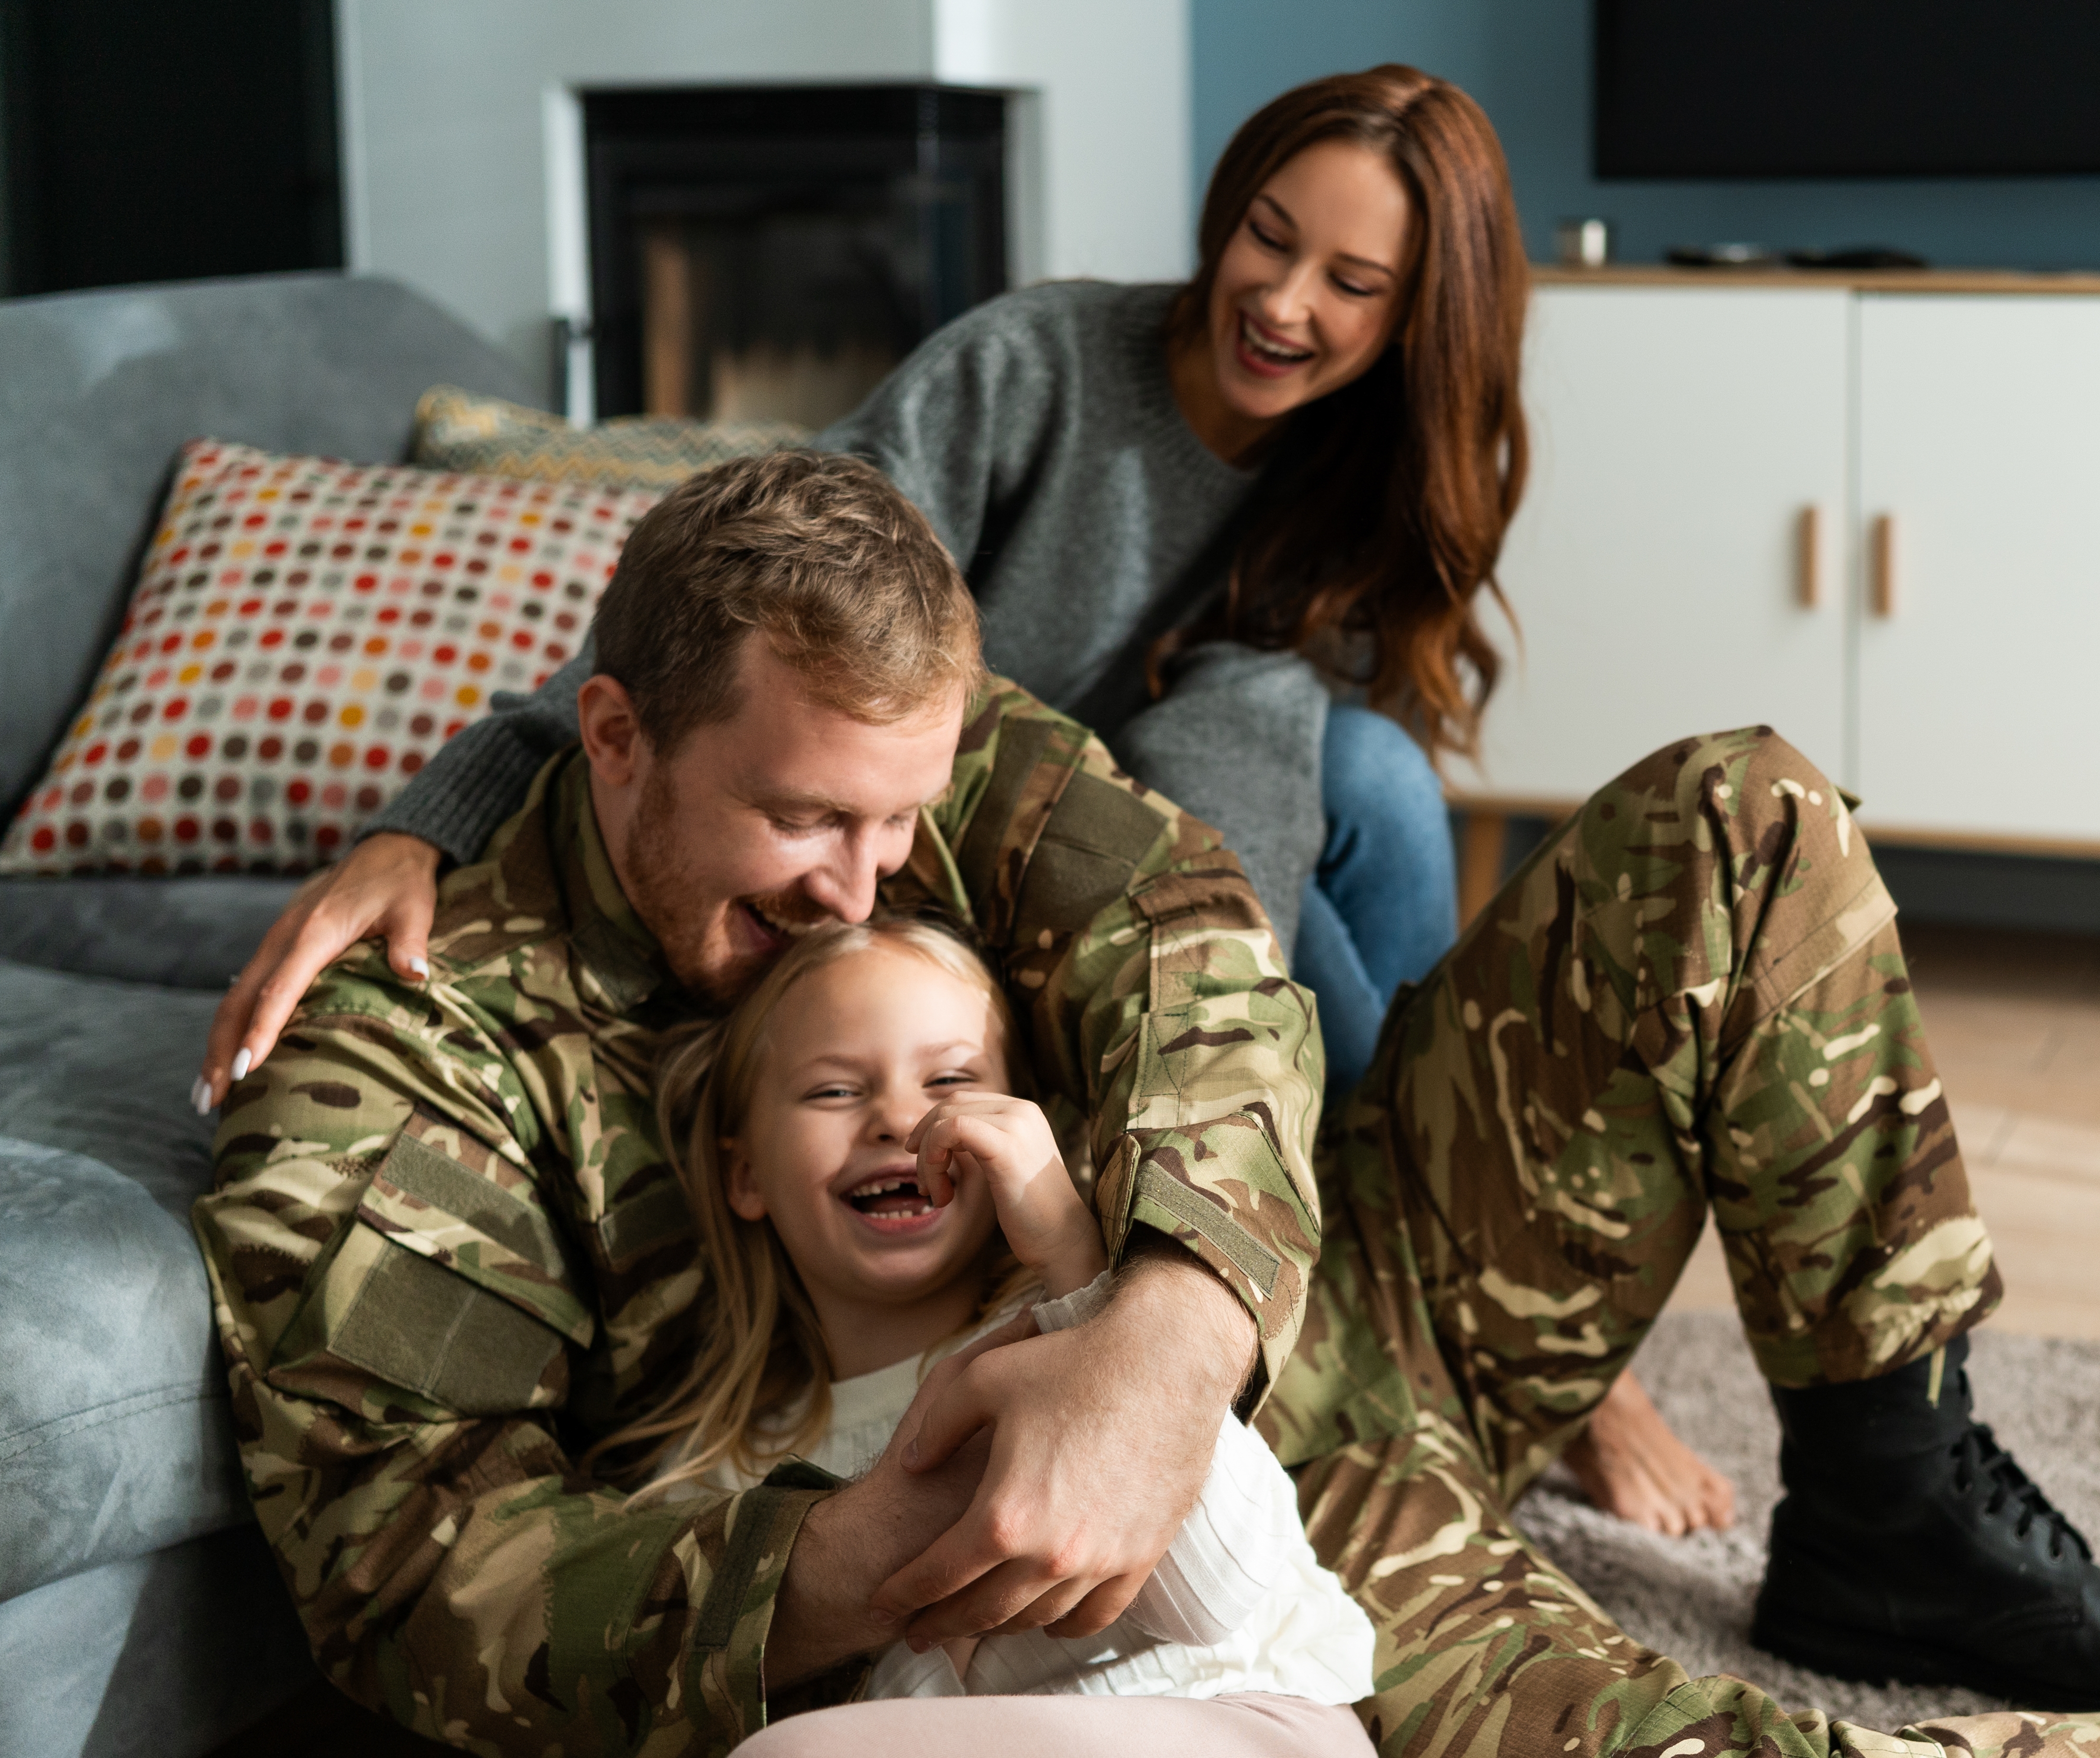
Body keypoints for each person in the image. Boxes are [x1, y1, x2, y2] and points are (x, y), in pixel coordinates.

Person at [195, 455, 2100, 1758]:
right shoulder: (397, 1069)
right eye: (797, 827)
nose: (869, 889)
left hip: (1302, 1332)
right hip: (1136, 1598)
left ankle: (1897, 1509)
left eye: (899, 821)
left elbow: (1202, 955)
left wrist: (1168, 1328)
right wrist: (864, 1566)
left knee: (1740, 822)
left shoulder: (900, 767)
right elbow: (411, 1570)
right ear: (620, 742)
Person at [188, 66, 1735, 1538]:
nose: (1283, 301)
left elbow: (1244, 756)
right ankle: (1459, 1302)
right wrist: (429, 816)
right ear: (1225, 213)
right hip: (954, 841)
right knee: (1347, 861)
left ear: (1418, 317)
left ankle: (1442, 1289)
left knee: (1368, 808)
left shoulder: (1369, 480)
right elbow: (743, 628)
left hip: (1155, 830)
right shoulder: (1037, 370)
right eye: (1271, 236)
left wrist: (1210, 969)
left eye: (1352, 282)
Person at [639, 914, 1395, 1758]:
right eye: (834, 1088)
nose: (897, 1118)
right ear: (745, 1172)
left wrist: (1080, 1266)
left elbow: (1221, 1591)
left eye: (949, 1081)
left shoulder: (1095, 1320)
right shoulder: (720, 1467)